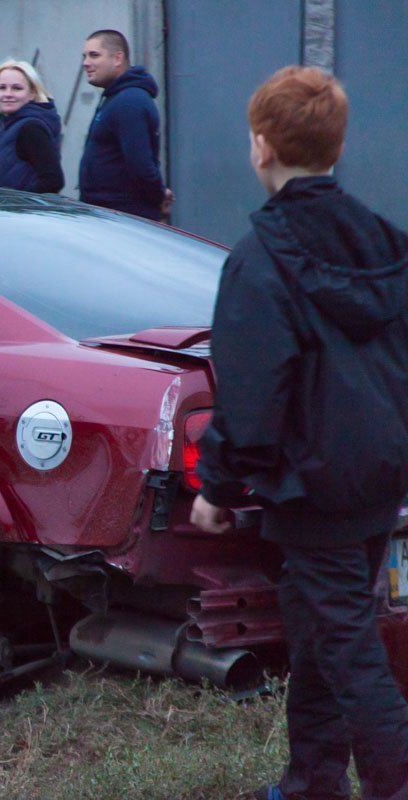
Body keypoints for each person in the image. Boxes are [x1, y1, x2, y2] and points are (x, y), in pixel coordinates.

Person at [190, 66, 408, 799]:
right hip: (380, 476)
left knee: (343, 638)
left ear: (260, 148)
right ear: (337, 147)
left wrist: (216, 487)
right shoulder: (387, 241)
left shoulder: (258, 261)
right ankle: (313, 782)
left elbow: (251, 397)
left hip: (312, 486)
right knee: (320, 629)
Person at [77, 29, 173, 219]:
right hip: (107, 215)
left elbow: (141, 166)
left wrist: (158, 197)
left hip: (122, 219)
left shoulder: (129, 102)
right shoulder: (116, 98)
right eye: (85, 56)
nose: (86, 63)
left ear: (118, 58)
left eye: (94, 55)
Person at [0, 59, 63, 193]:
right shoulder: (8, 127)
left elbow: (53, 180)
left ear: (32, 93)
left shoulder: (30, 128)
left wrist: (20, 203)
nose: (8, 94)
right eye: (2, 88)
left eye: (17, 88)